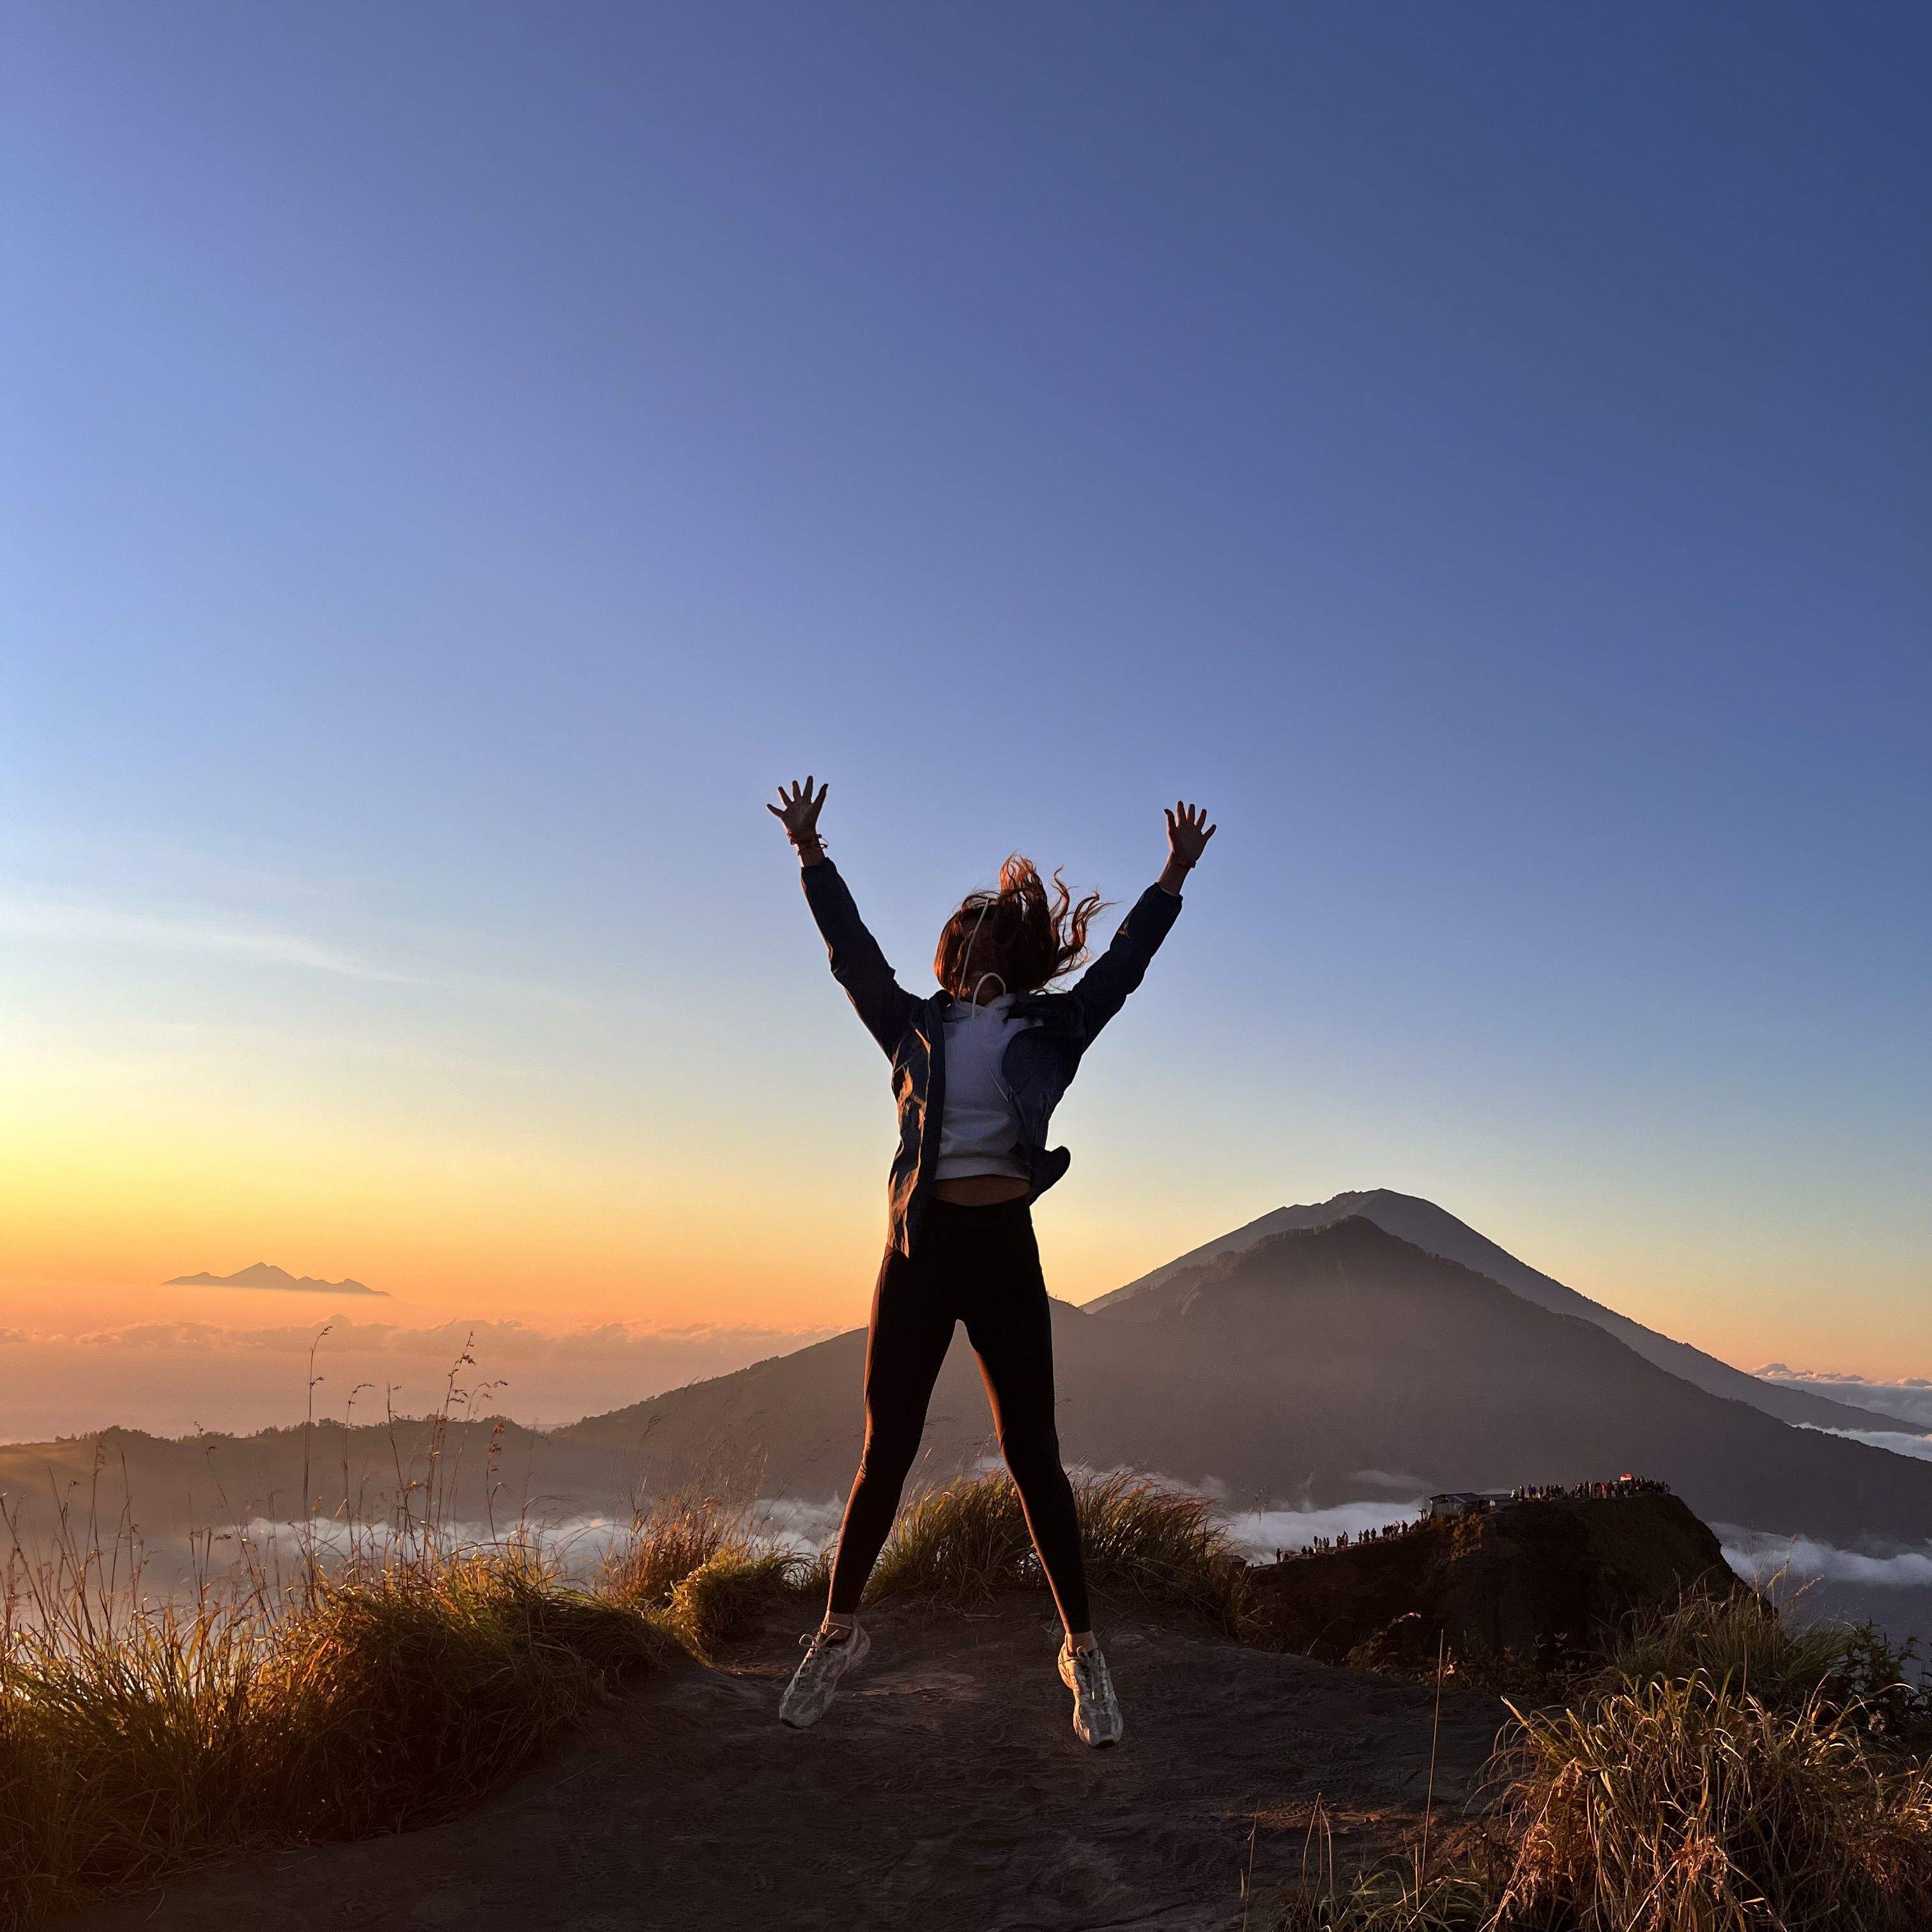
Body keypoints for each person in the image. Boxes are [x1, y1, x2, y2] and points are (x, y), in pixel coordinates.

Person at [764, 777, 1215, 1745]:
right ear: (949, 953)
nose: (972, 947)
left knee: (1033, 1456)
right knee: (886, 1447)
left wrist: (1171, 879)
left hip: (1003, 1248)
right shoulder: (913, 1027)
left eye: (987, 935)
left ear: (1011, 954)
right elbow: (854, 959)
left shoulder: (1053, 1029)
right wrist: (812, 857)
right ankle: (838, 1634)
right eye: (961, 936)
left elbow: (1122, 971)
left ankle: (1083, 1655)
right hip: (919, 1251)